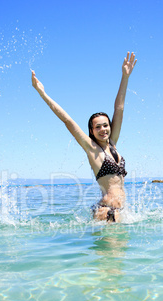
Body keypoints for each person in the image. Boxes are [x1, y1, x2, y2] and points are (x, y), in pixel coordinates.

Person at [32, 52, 137, 222]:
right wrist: (42, 94)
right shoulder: (92, 149)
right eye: (98, 127)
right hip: (107, 211)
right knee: (112, 250)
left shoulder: (113, 144)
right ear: (91, 131)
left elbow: (119, 108)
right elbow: (67, 120)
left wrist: (125, 77)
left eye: (105, 125)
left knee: (120, 250)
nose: (103, 129)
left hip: (121, 210)